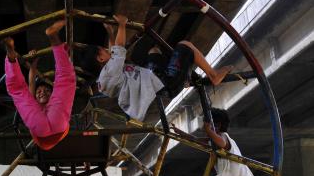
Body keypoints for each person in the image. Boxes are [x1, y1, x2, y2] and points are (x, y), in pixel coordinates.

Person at [79, 16, 232, 119]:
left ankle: (183, 76)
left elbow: (113, 53)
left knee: (154, 52)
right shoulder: (111, 70)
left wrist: (110, 32)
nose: (107, 50)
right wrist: (122, 24)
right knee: (185, 45)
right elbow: (118, 48)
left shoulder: (105, 76)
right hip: (165, 84)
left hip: (153, 79)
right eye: (103, 51)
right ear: (100, 58)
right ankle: (213, 75)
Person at [4, 20, 76, 150]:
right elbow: (32, 80)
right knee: (63, 81)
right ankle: (54, 40)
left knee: (65, 81)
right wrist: (34, 61)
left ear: (52, 95)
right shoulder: (50, 103)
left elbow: (32, 81)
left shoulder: (35, 103)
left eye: (46, 91)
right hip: (55, 126)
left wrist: (34, 62)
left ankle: (10, 56)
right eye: (40, 91)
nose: (42, 92)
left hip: (44, 129)